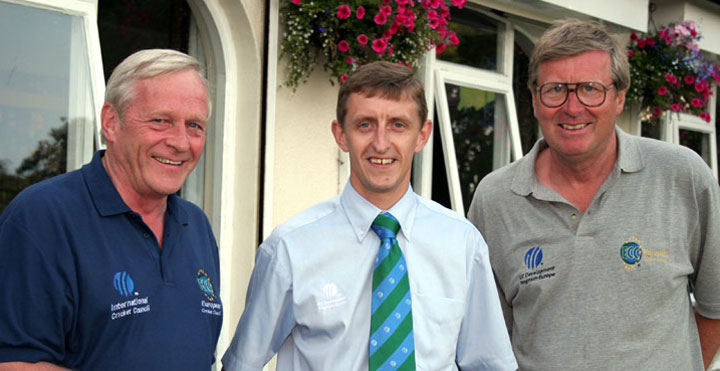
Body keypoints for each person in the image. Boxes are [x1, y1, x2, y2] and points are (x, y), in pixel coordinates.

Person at [221, 61, 517, 370]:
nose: (380, 143)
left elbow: (489, 364)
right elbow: (243, 364)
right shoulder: (290, 248)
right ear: (340, 134)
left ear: (422, 135)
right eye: (365, 124)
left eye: (398, 125)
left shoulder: (463, 243)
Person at [468, 19, 720, 370]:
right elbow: (489, 337)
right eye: (555, 89)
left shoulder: (682, 176)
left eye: (590, 89)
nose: (572, 107)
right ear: (535, 100)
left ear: (619, 97)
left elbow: (715, 308)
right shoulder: (495, 199)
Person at [0, 49, 222, 370]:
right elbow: (15, 362)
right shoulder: (42, 218)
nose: (180, 142)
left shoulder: (196, 225)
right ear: (111, 123)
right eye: (161, 121)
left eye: (195, 126)